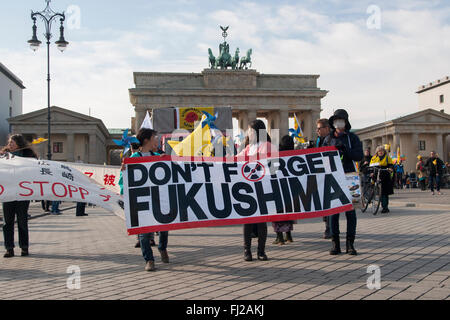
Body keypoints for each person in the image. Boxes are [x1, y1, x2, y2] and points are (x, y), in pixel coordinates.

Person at [120, 128, 169, 271]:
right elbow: (124, 180)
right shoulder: (134, 158)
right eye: (155, 137)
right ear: (146, 140)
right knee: (144, 232)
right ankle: (149, 259)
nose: (158, 140)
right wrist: (124, 170)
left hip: (160, 198)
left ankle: (162, 248)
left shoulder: (160, 156)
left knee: (164, 227)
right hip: (142, 199)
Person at [323, 109, 363, 256]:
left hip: (349, 176)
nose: (338, 122)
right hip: (333, 177)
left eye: (341, 119)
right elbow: (321, 158)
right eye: (335, 120)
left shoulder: (352, 138)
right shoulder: (328, 139)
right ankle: (335, 243)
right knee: (333, 213)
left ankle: (350, 244)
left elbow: (358, 156)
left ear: (346, 122)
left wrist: (345, 150)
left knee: (350, 213)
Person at [237, 119, 277, 261]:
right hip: (249, 188)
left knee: (261, 221)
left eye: (251, 130)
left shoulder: (268, 146)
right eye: (249, 131)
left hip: (263, 187)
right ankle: (247, 250)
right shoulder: (248, 147)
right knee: (248, 221)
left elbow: (273, 165)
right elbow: (236, 159)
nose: (249, 133)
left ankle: (261, 250)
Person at [1, 134, 38, 258]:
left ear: (19, 143)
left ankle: (24, 247)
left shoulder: (28, 155)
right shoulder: (3, 155)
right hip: (8, 192)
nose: (10, 144)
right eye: (9, 142)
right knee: (8, 222)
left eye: (13, 142)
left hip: (23, 193)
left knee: (22, 220)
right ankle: (9, 248)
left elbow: (35, 170)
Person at [272, 135, 295, 245]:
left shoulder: (275, 155)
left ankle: (279, 238)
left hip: (277, 188)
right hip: (289, 189)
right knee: (288, 213)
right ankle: (289, 236)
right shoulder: (295, 155)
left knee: (277, 213)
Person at [315, 118, 332, 239]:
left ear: (327, 128)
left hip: (330, 175)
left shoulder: (331, 140)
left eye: (319, 128)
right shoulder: (318, 140)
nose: (317, 130)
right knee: (325, 203)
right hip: (321, 175)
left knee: (329, 203)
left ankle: (329, 228)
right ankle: (329, 226)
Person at [370, 146, 394, 213]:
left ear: (384, 151)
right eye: (379, 151)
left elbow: (391, 165)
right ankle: (370, 195)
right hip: (376, 174)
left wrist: (390, 168)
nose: (380, 152)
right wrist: (371, 172)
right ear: (377, 152)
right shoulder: (374, 158)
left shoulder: (387, 158)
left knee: (384, 192)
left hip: (385, 174)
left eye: (382, 151)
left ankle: (385, 207)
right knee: (374, 186)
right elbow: (371, 167)